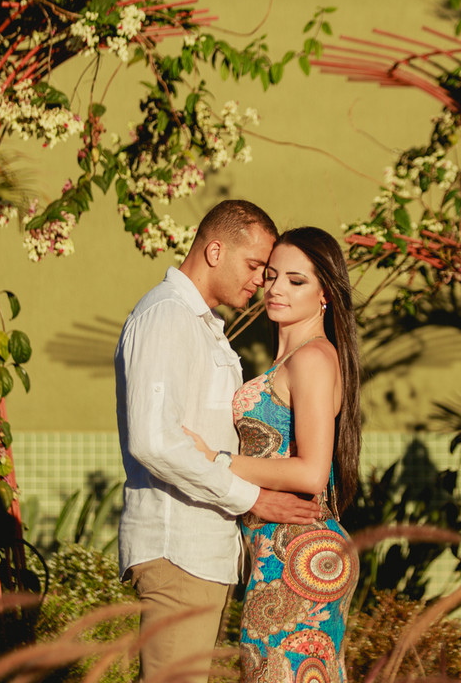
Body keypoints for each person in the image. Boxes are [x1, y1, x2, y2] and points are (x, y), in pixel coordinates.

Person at [115, 200, 322, 683]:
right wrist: (252, 498)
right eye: (254, 267)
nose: (261, 282)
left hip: (205, 551)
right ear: (214, 250)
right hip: (178, 548)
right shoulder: (167, 316)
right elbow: (154, 441)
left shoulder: (204, 327)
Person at [185, 226, 362, 683]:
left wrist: (220, 461)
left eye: (296, 280)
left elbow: (312, 473)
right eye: (271, 275)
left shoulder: (313, 360)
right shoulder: (295, 358)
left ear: (325, 293)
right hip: (280, 549)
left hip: (299, 551)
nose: (277, 288)